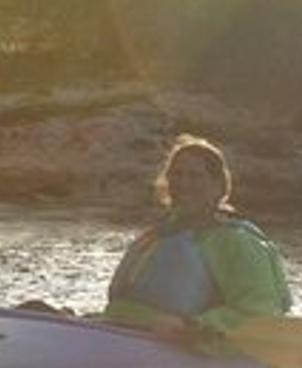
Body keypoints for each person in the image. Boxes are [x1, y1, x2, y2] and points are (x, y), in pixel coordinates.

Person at [105, 134, 291, 345]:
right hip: (129, 340)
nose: (184, 183)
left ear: (218, 186)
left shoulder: (235, 242)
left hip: (193, 350)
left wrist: (194, 326)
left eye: (195, 176)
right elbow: (124, 306)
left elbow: (259, 314)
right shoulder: (155, 237)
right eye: (177, 174)